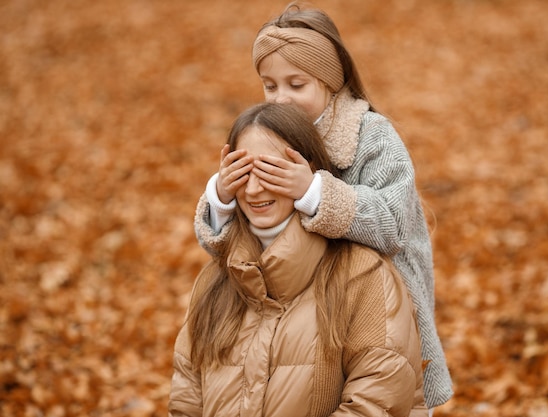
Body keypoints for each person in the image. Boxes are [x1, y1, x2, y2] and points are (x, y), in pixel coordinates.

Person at [193, 2, 453, 411]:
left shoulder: (371, 138)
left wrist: (314, 192)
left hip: (380, 311)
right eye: (270, 85)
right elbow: (241, 241)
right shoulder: (272, 133)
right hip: (304, 318)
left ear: (330, 82)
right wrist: (222, 199)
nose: (282, 98)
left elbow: (393, 226)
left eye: (297, 85)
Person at [169, 102, 427, 417]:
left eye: (271, 170)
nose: (253, 188)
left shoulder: (362, 275)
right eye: (243, 171)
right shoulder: (215, 281)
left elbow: (377, 404)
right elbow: (184, 404)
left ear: (309, 169)